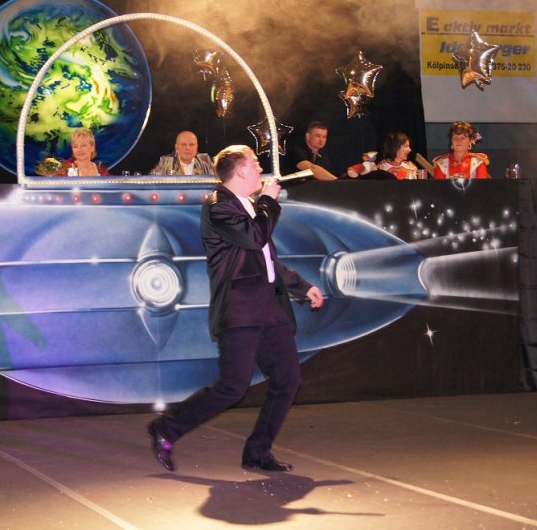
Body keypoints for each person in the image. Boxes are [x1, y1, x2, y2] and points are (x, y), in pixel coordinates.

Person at [147, 145, 325, 473]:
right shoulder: (219, 206)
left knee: (287, 380)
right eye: (255, 164)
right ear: (240, 170)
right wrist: (269, 201)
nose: (260, 170)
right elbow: (256, 237)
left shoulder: (251, 206)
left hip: (268, 308)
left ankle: (257, 451)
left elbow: (267, 262)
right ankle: (166, 428)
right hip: (240, 311)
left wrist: (302, 286)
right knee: (233, 387)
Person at [348, 132, 419, 180]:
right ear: (396, 147)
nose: (410, 150)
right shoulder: (380, 168)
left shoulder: (411, 167)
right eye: (406, 146)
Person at [150, 131, 216, 175]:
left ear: (197, 147)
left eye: (191, 145)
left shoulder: (205, 161)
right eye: (183, 144)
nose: (187, 148)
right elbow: (151, 183)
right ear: (176, 148)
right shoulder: (166, 162)